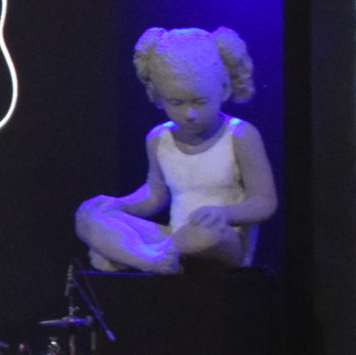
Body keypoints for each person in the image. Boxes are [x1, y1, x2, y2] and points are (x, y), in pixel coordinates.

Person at [77, 27, 277, 272]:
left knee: (202, 234)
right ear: (157, 96)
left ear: (224, 89)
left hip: (220, 238)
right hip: (175, 237)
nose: (189, 114)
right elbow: (155, 195)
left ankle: (128, 254)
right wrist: (119, 204)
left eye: (199, 101)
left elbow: (264, 201)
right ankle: (151, 260)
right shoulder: (158, 138)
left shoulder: (240, 135)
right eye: (176, 103)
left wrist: (225, 214)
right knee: (89, 215)